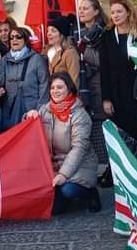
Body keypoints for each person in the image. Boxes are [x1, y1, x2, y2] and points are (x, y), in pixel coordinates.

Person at [24, 73, 100, 214]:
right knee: (53, 210)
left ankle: (91, 193)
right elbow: (29, 134)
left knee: (68, 190)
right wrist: (28, 117)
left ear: (69, 90)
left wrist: (63, 175)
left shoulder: (80, 115)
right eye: (52, 87)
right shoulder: (45, 110)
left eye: (60, 87)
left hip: (80, 166)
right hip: (53, 167)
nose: (55, 91)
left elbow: (79, 149)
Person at [101, 0, 137, 145]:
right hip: (116, 90)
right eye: (113, 12)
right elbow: (104, 68)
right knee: (122, 130)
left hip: (136, 89)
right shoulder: (107, 36)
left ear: (128, 12)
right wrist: (106, 98)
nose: (116, 15)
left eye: (119, 11)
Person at [77, 0, 113, 167]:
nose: (81, 11)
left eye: (85, 8)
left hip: (101, 86)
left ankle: (108, 168)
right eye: (80, 8)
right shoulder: (78, 34)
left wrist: (83, 51)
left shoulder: (104, 33)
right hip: (85, 88)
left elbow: (103, 60)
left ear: (96, 11)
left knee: (103, 128)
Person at [0, 27, 49, 131]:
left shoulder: (37, 58)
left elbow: (44, 85)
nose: (14, 40)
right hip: (11, 109)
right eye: (11, 37)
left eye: (18, 37)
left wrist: (40, 109)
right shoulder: (5, 59)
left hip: (32, 108)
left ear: (25, 39)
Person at [46, 16, 80, 86]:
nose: (48, 34)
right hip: (53, 94)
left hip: (66, 94)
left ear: (62, 35)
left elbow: (74, 80)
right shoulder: (47, 52)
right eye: (48, 31)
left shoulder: (70, 53)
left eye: (53, 31)